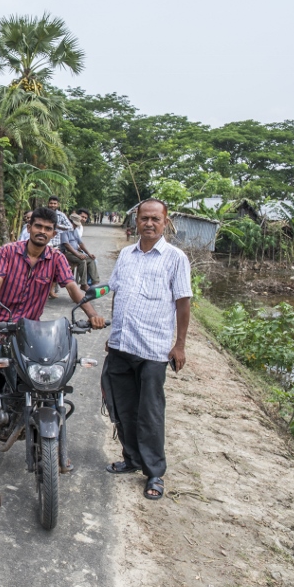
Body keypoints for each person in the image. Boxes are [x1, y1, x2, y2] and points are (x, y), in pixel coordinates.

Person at [0, 208, 106, 471]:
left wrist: (93, 314)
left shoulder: (57, 259)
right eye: (38, 226)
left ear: (54, 233)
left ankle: (56, 446)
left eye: (48, 229)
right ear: (30, 227)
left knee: (50, 381)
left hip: (28, 329)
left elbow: (72, 287)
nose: (42, 232)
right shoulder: (9, 251)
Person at [101, 198, 191, 501]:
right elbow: (118, 294)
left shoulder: (176, 258)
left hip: (154, 350)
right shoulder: (126, 254)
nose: (149, 224)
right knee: (122, 409)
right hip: (121, 345)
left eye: (155, 219)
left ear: (165, 222)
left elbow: (183, 303)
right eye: (144, 218)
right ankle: (132, 458)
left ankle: (154, 473)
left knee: (149, 413)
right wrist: (113, 332)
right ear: (136, 221)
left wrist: (179, 345)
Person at [59, 210, 99, 288]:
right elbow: (66, 245)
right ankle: (83, 284)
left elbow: (81, 243)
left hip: (75, 251)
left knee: (91, 259)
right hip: (67, 253)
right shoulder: (64, 230)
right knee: (82, 260)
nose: (75, 226)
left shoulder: (75, 230)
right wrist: (78, 255)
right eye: (74, 224)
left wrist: (88, 253)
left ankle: (95, 281)